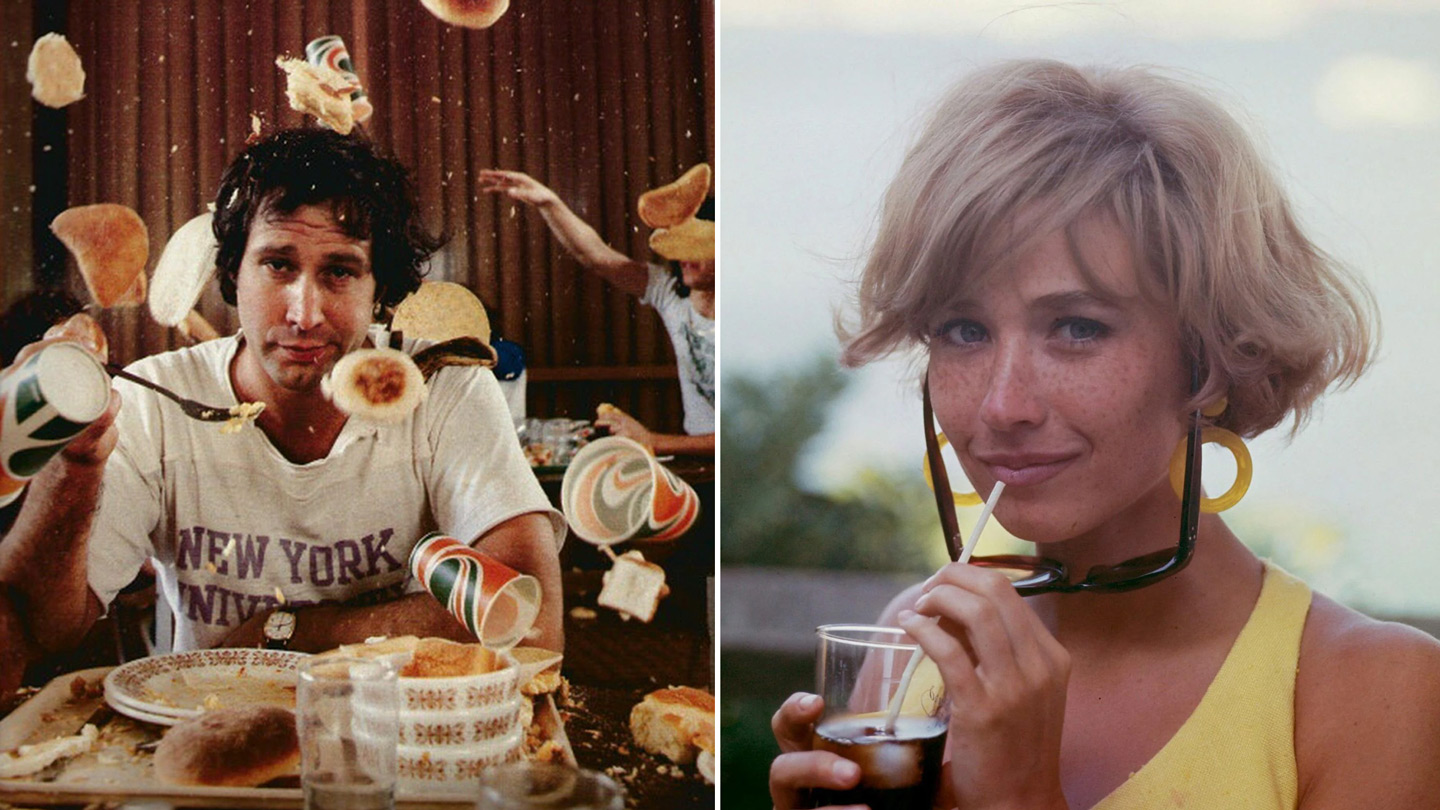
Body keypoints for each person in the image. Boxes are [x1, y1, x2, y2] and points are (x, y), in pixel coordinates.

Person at [769, 60, 1440, 809]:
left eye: (1077, 328)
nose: (1003, 404)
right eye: (964, 330)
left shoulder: (1371, 693)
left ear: (1212, 356)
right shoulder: (919, 644)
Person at [0, 128, 565, 655]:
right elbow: (48, 627)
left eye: (340, 272)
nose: (305, 313)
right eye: (277, 264)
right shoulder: (154, 400)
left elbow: (533, 624)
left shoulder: (444, 388)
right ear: (233, 273)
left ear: (380, 288)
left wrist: (289, 632)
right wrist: (73, 463)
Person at [477, 169, 715, 456]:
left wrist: (653, 440)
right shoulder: (671, 295)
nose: (685, 255)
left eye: (696, 243)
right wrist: (549, 203)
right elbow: (594, 256)